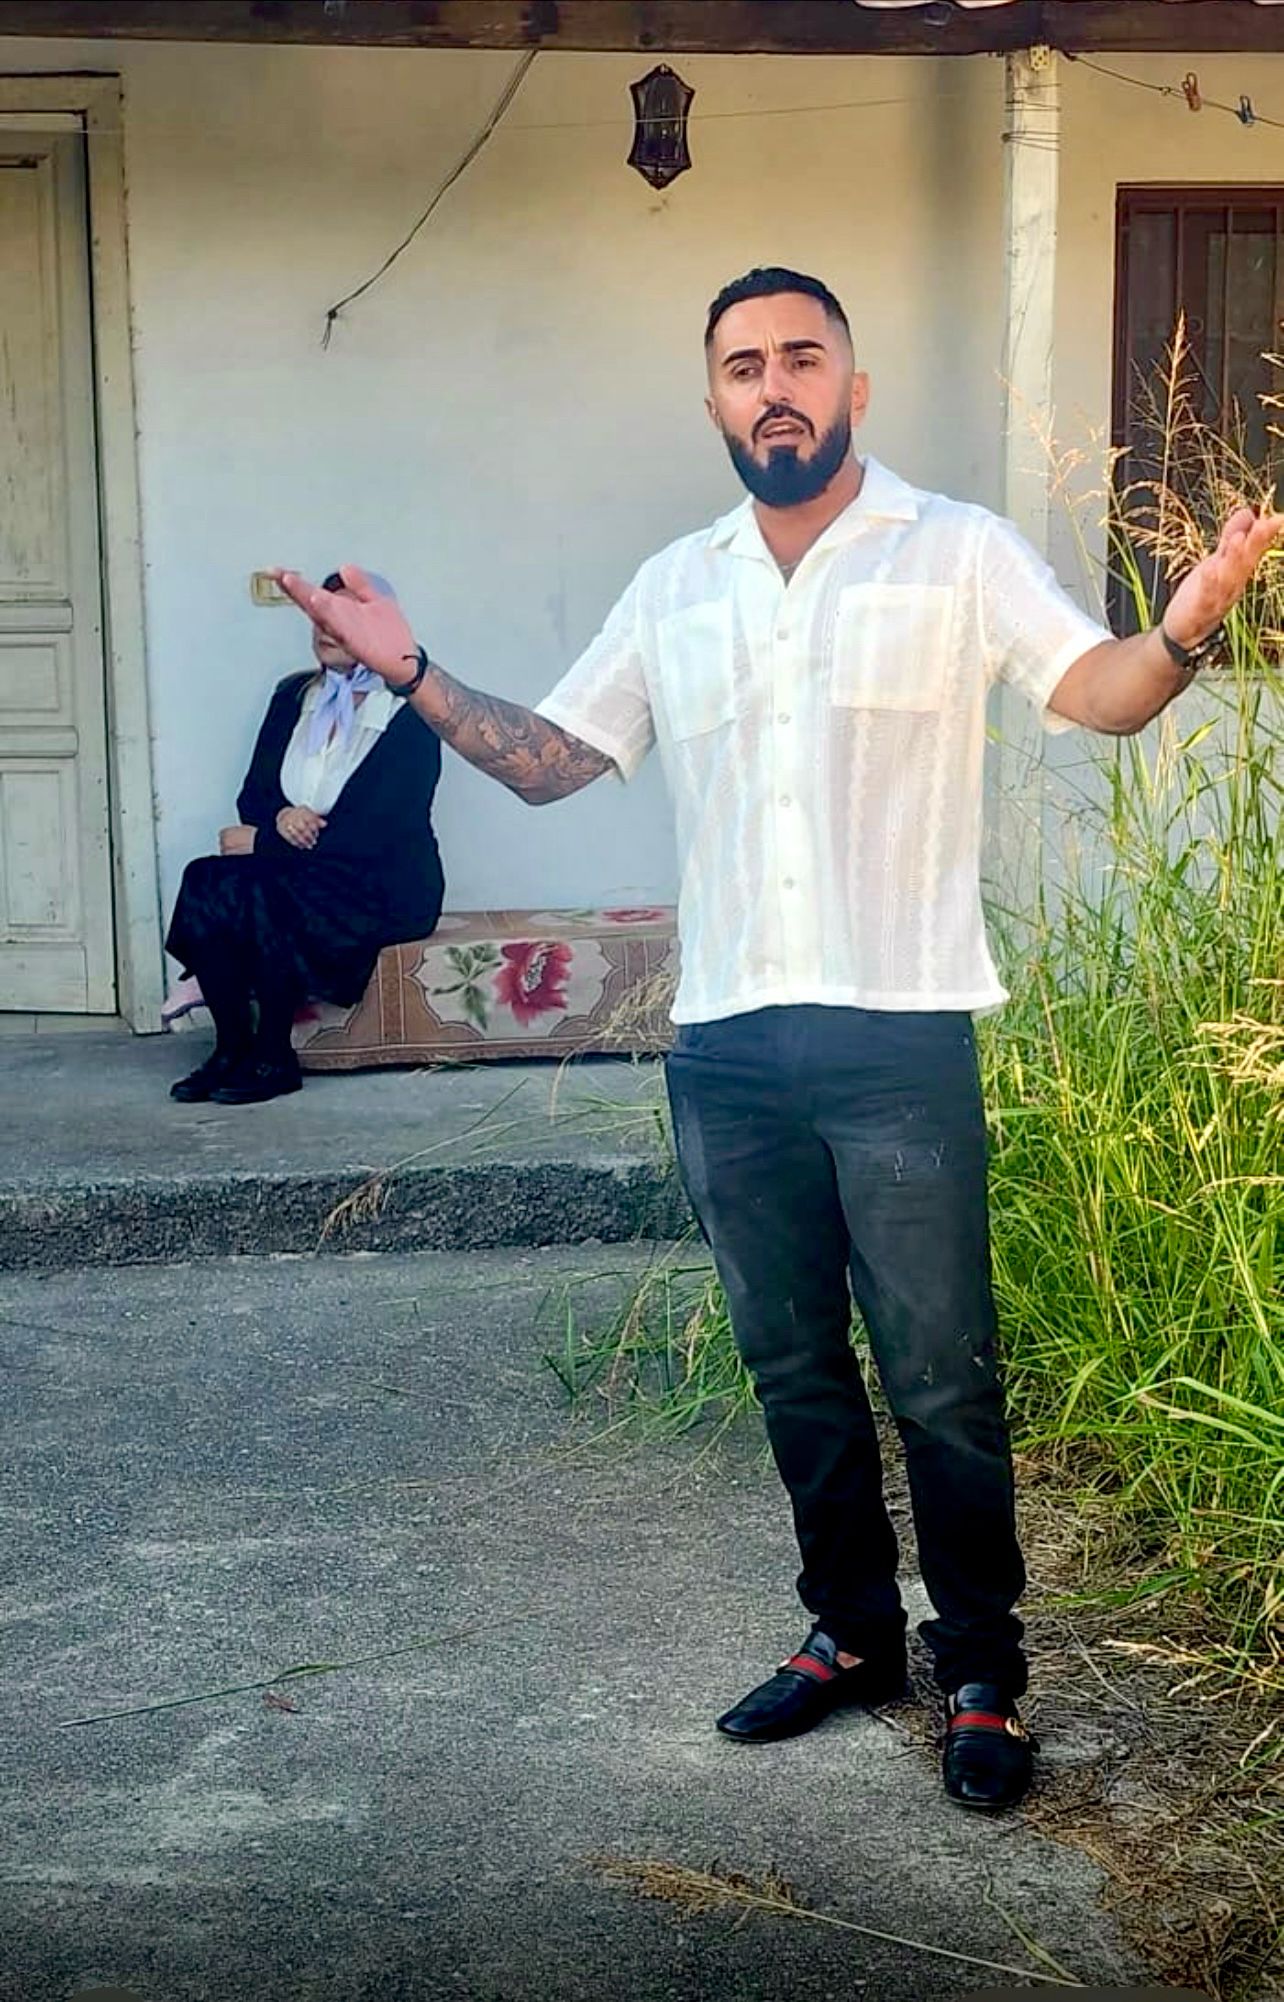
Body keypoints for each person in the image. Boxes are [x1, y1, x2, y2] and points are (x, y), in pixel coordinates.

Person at [274, 269, 1281, 1807]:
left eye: (803, 356)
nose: (775, 384)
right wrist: (410, 667)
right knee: (796, 1370)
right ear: (717, 406)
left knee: (942, 1378)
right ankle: (853, 1633)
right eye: (744, 366)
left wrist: (1189, 626)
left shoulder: (955, 550)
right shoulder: (676, 586)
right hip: (730, 1047)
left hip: (899, 1036)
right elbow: (550, 760)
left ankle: (984, 1671)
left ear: (854, 388)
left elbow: (1101, 690)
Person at [166, 570, 444, 1105]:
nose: (325, 629)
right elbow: (255, 794)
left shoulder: (412, 711)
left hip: (382, 885)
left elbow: (381, 827)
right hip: (304, 867)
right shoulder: (295, 695)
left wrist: (266, 844)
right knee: (204, 878)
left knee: (268, 889)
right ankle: (231, 1048)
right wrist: (280, 818)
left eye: (343, 619)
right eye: (320, 616)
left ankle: (274, 1056)